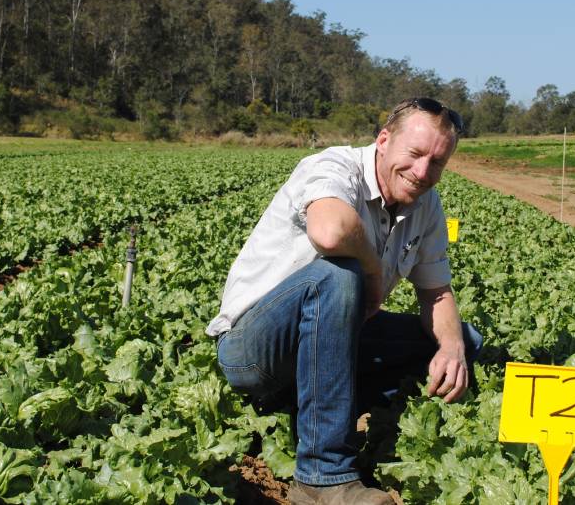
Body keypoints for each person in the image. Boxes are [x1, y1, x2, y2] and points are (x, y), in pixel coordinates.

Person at [206, 97, 483, 505]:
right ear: (384, 140)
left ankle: (319, 400)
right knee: (339, 274)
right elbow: (331, 232)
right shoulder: (334, 167)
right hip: (255, 350)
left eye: (437, 162)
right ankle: (321, 476)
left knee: (464, 340)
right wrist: (373, 271)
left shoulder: (425, 204)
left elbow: (436, 292)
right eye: (415, 154)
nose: (423, 172)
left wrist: (452, 348)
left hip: (332, 335)